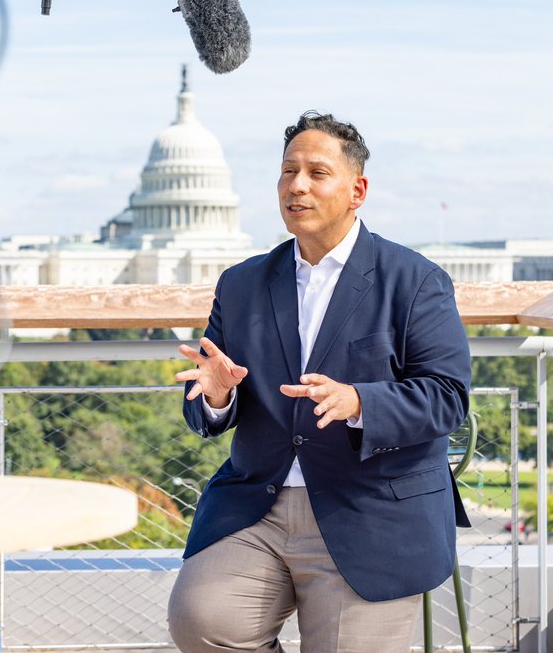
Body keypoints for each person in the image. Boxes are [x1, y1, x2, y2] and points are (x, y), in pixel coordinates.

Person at [167, 111, 471, 653]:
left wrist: (359, 401)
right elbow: (204, 401)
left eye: (316, 173)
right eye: (288, 171)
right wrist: (217, 395)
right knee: (202, 623)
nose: (297, 186)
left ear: (357, 191)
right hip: (257, 507)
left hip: (369, 507)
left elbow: (448, 398)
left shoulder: (415, 280)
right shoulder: (242, 284)